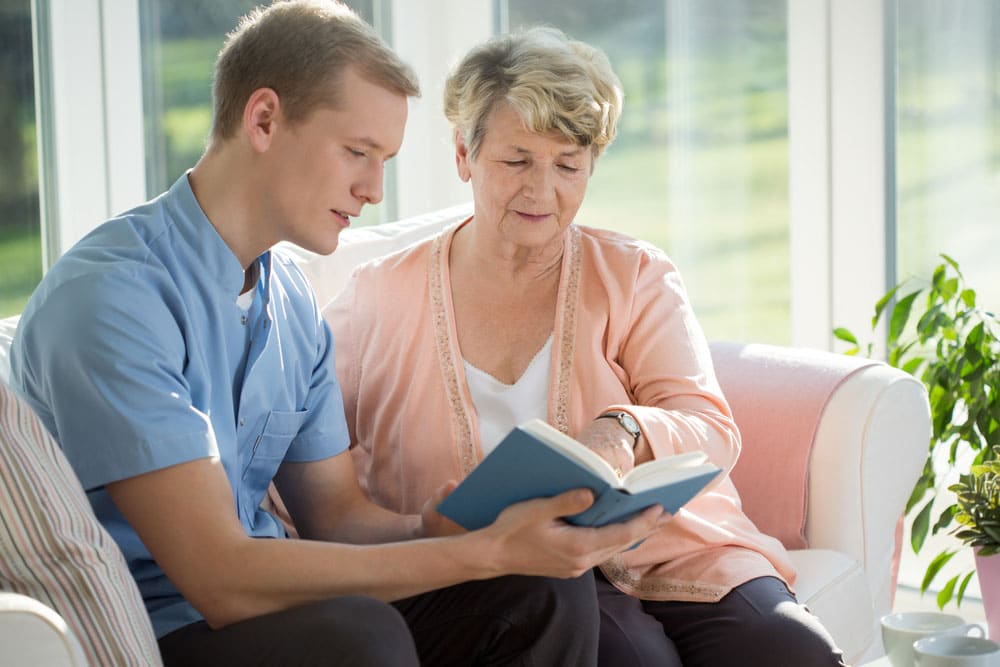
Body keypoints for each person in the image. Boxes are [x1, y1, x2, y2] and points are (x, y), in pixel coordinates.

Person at [8, 4, 667, 666]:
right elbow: (221, 579)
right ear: (263, 120)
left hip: (278, 607)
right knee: (359, 635)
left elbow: (339, 520)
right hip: (166, 630)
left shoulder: (290, 300)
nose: (374, 189)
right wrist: (476, 552)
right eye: (357, 152)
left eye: (384, 160)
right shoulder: (114, 296)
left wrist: (434, 526)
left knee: (538, 588)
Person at [322, 26, 849, 666]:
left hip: (674, 547)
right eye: (516, 161)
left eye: (568, 165)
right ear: (464, 153)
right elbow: (310, 459)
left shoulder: (634, 275)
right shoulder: (374, 298)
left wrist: (623, 426)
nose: (543, 191)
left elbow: (710, 426)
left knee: (794, 648)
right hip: (513, 575)